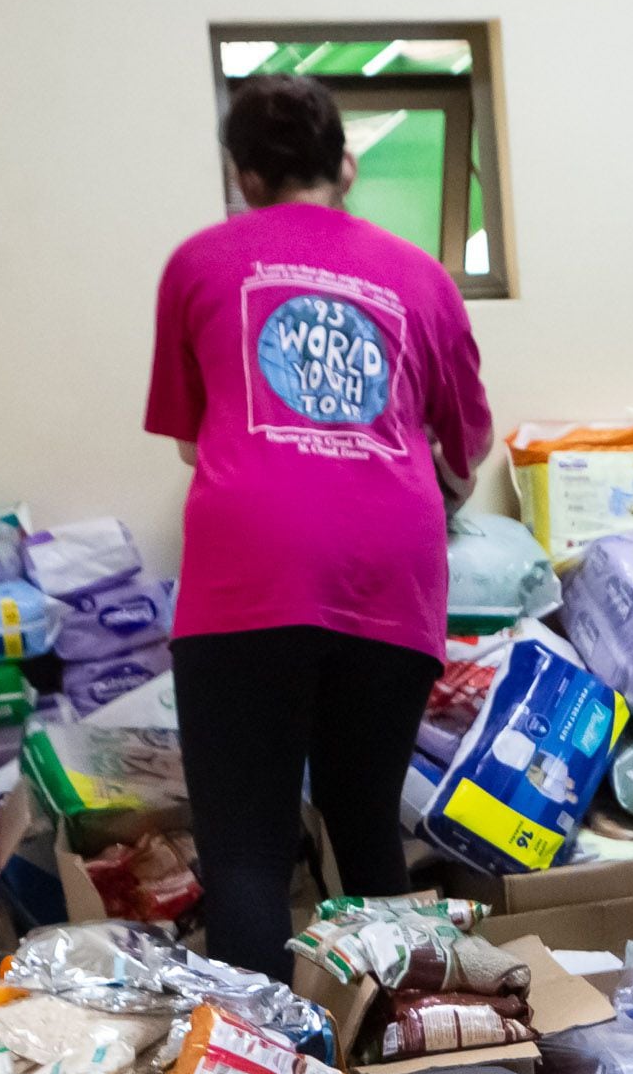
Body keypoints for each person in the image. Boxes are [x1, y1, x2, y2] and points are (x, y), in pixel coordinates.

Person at [146, 74, 492, 982]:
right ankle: (411, 1061)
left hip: (246, 584)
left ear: (245, 177)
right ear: (345, 165)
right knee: (366, 824)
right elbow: (467, 450)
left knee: (250, 851)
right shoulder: (422, 276)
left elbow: (192, 443)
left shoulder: (198, 263)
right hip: (390, 582)